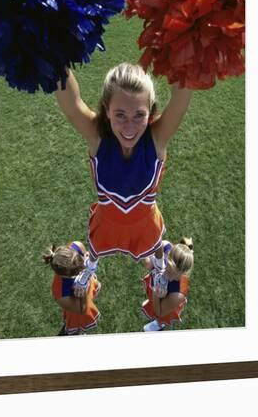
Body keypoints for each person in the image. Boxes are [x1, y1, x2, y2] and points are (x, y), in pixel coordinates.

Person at [55, 63, 192, 296]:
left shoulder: (157, 139)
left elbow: (181, 96)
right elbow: (72, 104)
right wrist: (53, 55)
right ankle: (90, 269)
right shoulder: (98, 137)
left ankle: (158, 269)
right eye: (120, 115)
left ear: (150, 110)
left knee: (156, 245)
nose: (129, 127)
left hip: (145, 222)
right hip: (107, 220)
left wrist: (185, 53)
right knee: (96, 248)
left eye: (139, 115)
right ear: (107, 110)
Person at [43, 241, 101, 336]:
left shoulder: (76, 245)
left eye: (82, 261)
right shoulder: (60, 293)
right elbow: (82, 309)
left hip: (87, 287)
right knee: (77, 329)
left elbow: (87, 254)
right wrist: (83, 294)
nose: (83, 268)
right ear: (66, 274)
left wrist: (87, 258)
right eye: (79, 270)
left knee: (92, 294)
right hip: (78, 308)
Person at [141, 237, 194, 331]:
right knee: (151, 301)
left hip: (166, 303)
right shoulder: (165, 247)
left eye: (173, 273)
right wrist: (149, 260)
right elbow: (148, 263)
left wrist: (156, 295)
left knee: (161, 318)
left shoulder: (178, 295)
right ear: (168, 255)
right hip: (157, 289)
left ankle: (158, 325)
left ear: (183, 274)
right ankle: (151, 301)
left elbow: (160, 312)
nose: (166, 274)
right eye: (168, 269)